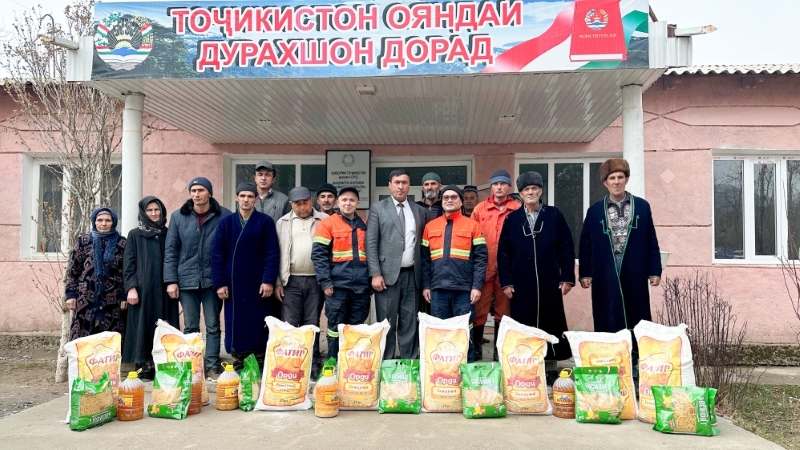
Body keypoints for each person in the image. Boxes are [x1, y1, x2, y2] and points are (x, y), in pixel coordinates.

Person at [579, 158, 662, 377]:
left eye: (620, 177)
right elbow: (585, 243)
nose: (616, 181)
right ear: (605, 182)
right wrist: (585, 272)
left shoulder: (642, 206)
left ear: (626, 179)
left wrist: (654, 269)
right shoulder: (595, 210)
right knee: (607, 313)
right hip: (605, 270)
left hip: (634, 269)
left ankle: (636, 364)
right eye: (612, 178)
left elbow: (651, 238)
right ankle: (609, 362)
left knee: (637, 314)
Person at [498, 172, 575, 382]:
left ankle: (550, 369)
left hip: (550, 281)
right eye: (526, 189)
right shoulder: (512, 219)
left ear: (540, 191)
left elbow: (566, 248)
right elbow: (504, 253)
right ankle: (526, 370)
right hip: (521, 283)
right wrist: (506, 281)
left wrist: (567, 276)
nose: (530, 192)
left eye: (534, 188)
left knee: (551, 323)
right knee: (524, 325)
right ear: (521, 194)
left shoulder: (554, 215)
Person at [164, 177, 231, 380]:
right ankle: (192, 366)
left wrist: (224, 280)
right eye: (193, 190)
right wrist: (171, 280)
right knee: (191, 326)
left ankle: (212, 365)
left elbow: (228, 250)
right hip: (186, 280)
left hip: (213, 281)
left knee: (213, 325)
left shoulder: (224, 215)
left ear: (209, 192)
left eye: (201, 190)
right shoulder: (178, 216)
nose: (196, 194)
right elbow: (171, 250)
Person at [211, 182, 280, 371]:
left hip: (258, 283)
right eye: (242, 196)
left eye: (250, 196)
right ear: (236, 198)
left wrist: (268, 280)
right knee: (236, 323)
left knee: (258, 322)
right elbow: (217, 254)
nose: (246, 200)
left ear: (256, 199)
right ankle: (239, 359)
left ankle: (259, 360)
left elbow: (272, 253)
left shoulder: (265, 222)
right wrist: (219, 283)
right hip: (233, 284)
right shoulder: (226, 223)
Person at [421, 185, 487, 363]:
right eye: (446, 197)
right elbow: (425, 261)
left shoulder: (473, 226)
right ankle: (442, 367)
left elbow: (481, 259)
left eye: (454, 197)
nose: (449, 200)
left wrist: (477, 286)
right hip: (438, 289)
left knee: (464, 330)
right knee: (440, 332)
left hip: (464, 290)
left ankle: (466, 366)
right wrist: (426, 285)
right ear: (441, 202)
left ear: (461, 201)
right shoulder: (430, 227)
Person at [367, 169, 426, 360]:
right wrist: (375, 273)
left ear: (409, 186)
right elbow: (371, 243)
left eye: (404, 182)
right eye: (397, 182)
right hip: (386, 277)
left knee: (410, 322)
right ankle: (387, 363)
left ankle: (409, 363)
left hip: (412, 276)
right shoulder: (378, 208)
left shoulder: (419, 210)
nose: (400, 186)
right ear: (390, 185)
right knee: (387, 322)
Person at [122, 196, 178, 380]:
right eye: (149, 210)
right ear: (143, 212)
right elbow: (128, 264)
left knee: (165, 326)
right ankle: (144, 365)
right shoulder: (135, 235)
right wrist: (131, 288)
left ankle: (164, 365)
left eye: (157, 210)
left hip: (165, 288)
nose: (154, 213)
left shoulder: (168, 233)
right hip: (143, 290)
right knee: (143, 326)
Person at [275, 187, 328, 377]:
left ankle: (313, 364)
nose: (302, 207)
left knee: (312, 322)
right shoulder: (282, 222)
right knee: (290, 323)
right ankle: (291, 364)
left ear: (311, 201)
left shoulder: (324, 220)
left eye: (305, 202)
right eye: (297, 204)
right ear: (291, 204)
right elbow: (276, 253)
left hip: (316, 280)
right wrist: (278, 281)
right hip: (291, 280)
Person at [312, 186, 370, 359]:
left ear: (358, 203)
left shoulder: (364, 226)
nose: (348, 203)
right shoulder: (327, 224)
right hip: (337, 288)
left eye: (352, 200)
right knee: (335, 327)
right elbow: (318, 255)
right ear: (338, 202)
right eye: (344, 200)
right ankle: (333, 362)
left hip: (360, 288)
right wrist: (325, 282)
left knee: (356, 328)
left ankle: (352, 364)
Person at [470, 169, 521, 360]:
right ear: (491, 187)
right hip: (484, 266)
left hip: (507, 269)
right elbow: (470, 239)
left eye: (503, 184)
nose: (499, 187)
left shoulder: (517, 209)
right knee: (479, 309)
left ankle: (499, 352)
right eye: (495, 184)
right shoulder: (480, 209)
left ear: (509, 186)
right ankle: (476, 350)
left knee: (504, 311)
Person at [66, 207, 127, 341]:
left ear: (114, 222)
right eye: (100, 220)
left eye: (108, 220)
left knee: (111, 340)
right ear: (94, 221)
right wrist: (70, 295)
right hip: (86, 298)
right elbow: (74, 270)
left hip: (113, 300)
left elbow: (126, 272)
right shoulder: (84, 241)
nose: (103, 224)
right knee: (84, 339)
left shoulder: (122, 243)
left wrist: (124, 296)